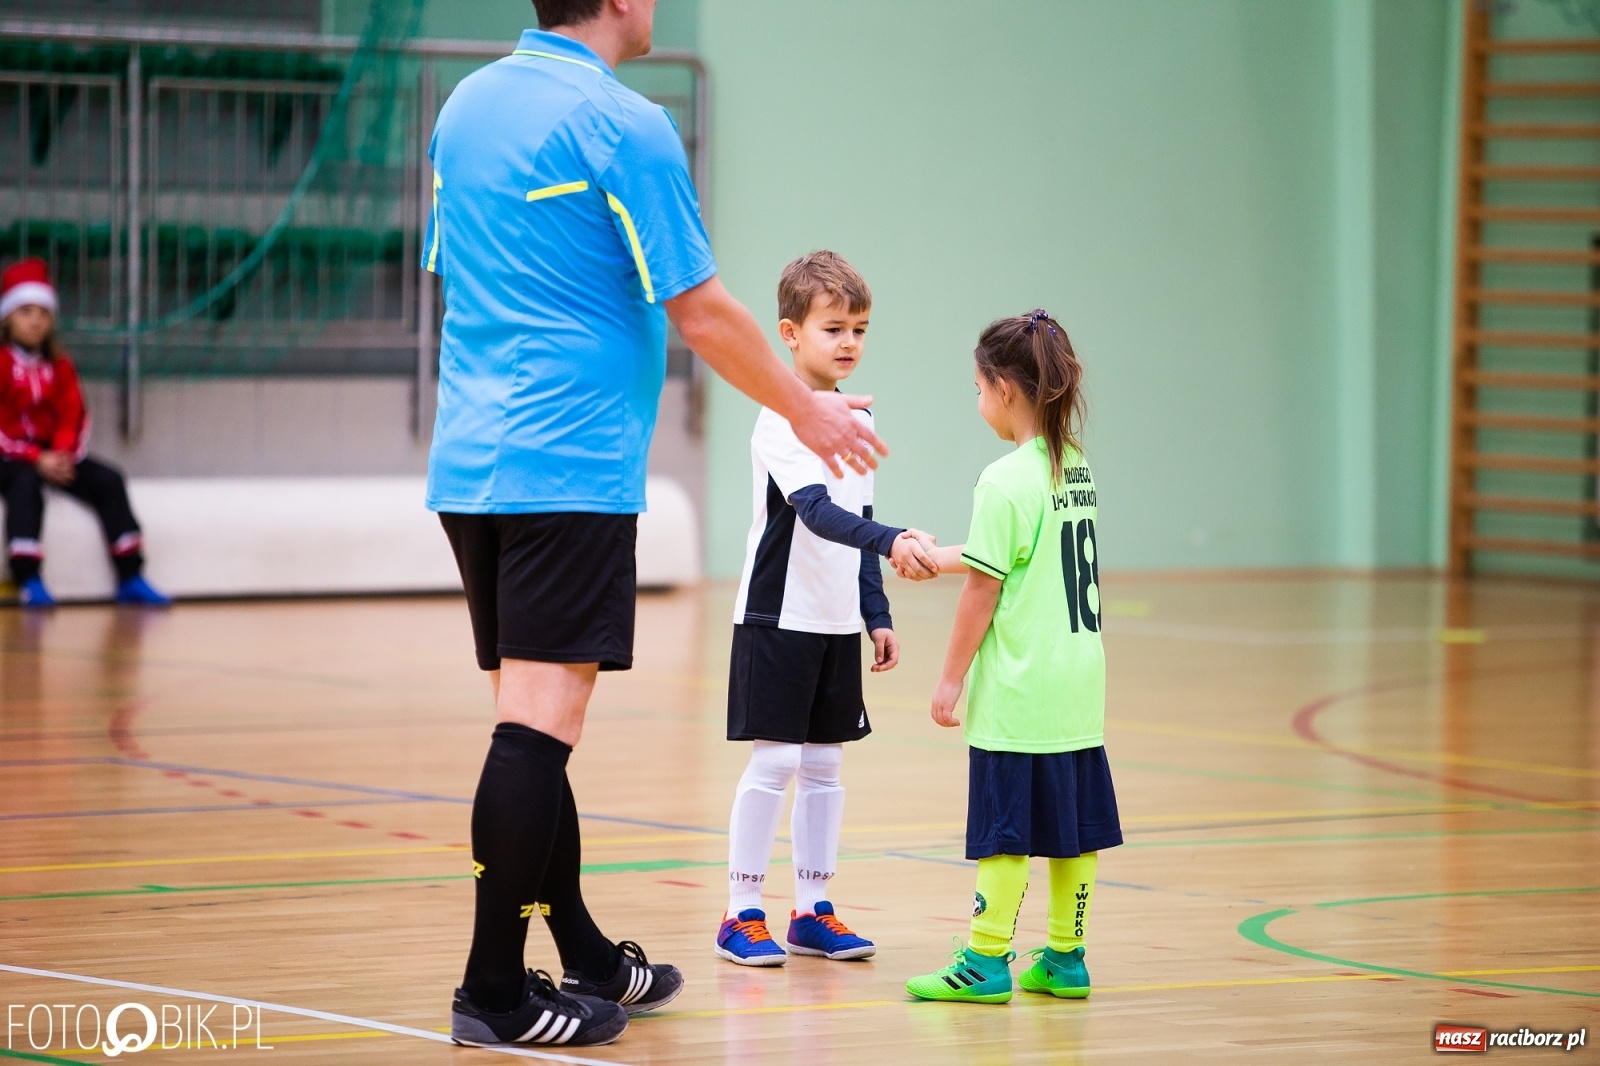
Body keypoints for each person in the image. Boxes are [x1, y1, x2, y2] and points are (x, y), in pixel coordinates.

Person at [423, 0, 888, 1050]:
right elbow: (704, 309)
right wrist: (806, 407)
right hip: (567, 465)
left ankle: (582, 954)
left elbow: (451, 276)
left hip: (472, 459)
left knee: (533, 722)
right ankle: (493, 991)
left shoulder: (465, 107)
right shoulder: (619, 122)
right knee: (536, 729)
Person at [715, 252, 936, 967]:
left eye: (860, 329)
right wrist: (896, 539)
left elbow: (857, 517)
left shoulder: (858, 417)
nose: (848, 343)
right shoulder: (784, 418)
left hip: (838, 621)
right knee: (775, 759)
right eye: (833, 327)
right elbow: (814, 514)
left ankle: (813, 908)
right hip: (778, 618)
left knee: (825, 766)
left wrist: (877, 612)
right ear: (789, 333)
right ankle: (740, 910)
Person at [901, 310, 1121, 1004]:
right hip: (1079, 686)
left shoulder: (1002, 479)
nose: (976, 401)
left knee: (1005, 831)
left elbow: (985, 587)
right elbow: (1013, 555)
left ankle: (986, 960)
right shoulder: (1074, 465)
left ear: (1004, 388)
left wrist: (949, 678)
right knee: (1073, 828)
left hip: (1022, 689)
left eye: (976, 386)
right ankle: (1066, 955)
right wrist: (931, 555)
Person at [0, 258, 170, 609]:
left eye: (43, 313)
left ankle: (130, 575)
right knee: (24, 485)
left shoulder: (59, 365)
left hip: (53, 454)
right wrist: (35, 458)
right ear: (7, 318)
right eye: (25, 311)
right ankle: (28, 579)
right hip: (10, 456)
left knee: (108, 480)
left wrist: (62, 453)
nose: (35, 320)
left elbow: (73, 413)